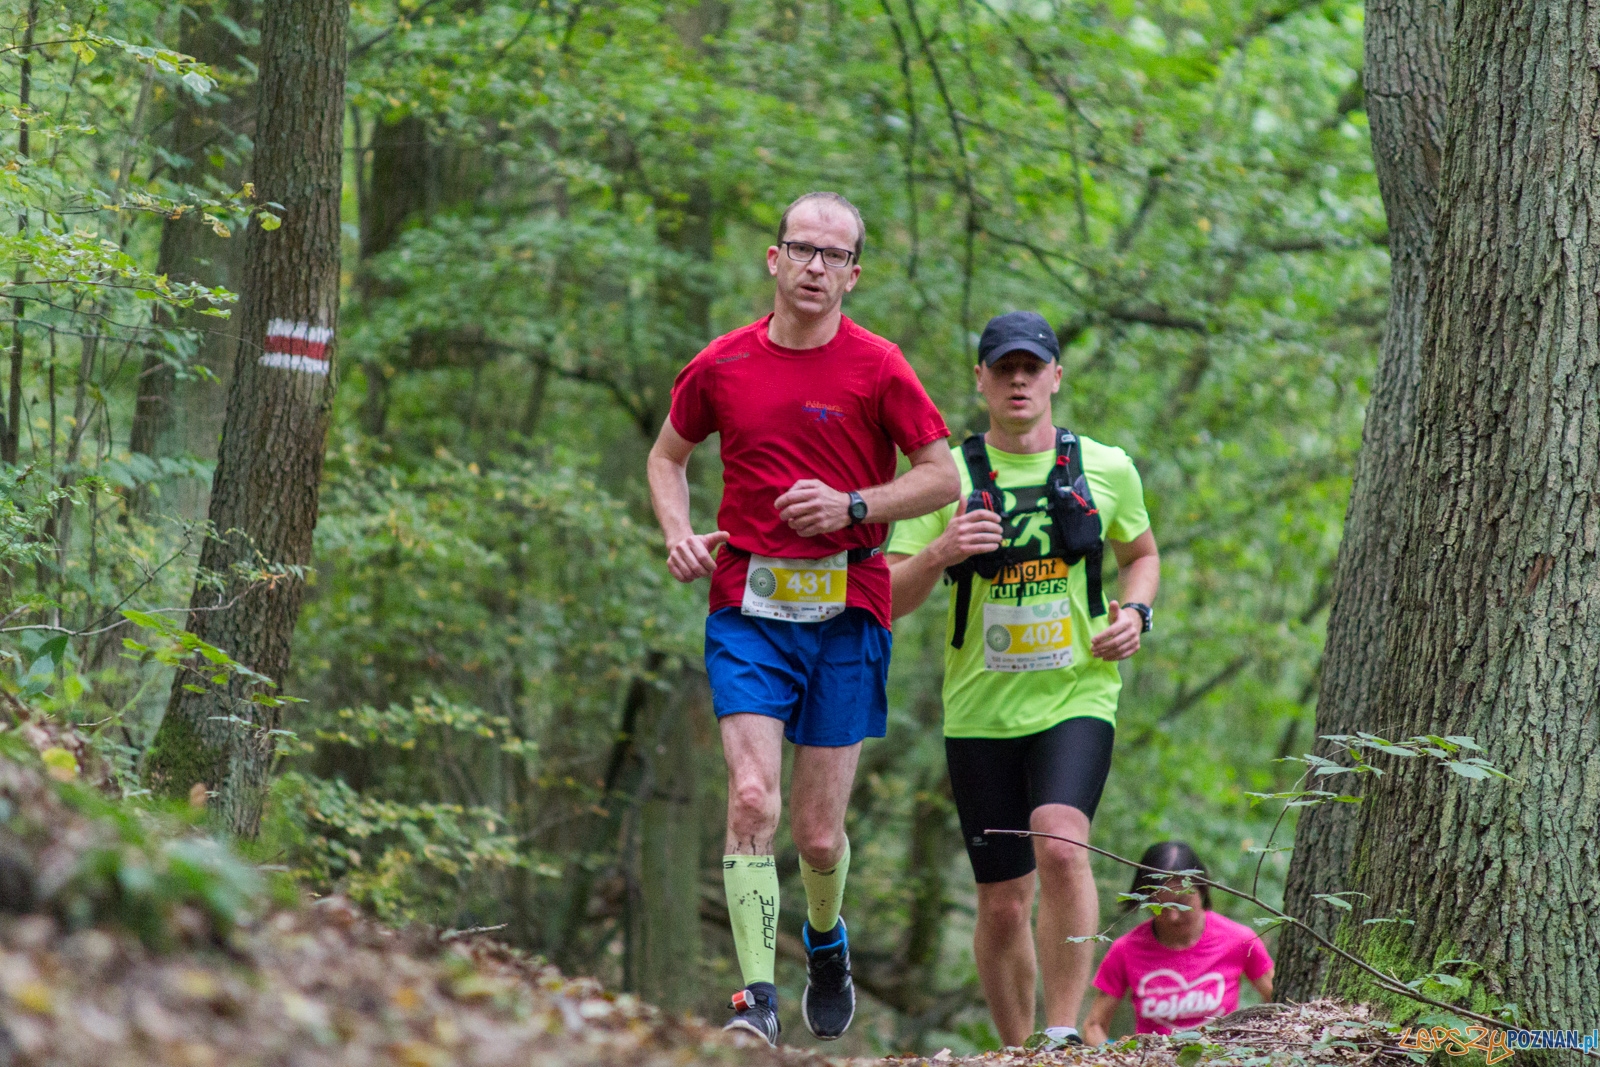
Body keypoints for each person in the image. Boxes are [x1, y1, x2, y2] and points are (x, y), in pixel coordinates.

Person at [647, 191, 959, 1046]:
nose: (816, 266)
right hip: (747, 607)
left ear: (853, 275)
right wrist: (677, 533)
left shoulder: (879, 367)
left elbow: (941, 476)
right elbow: (668, 457)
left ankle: (826, 939)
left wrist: (853, 504)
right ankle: (755, 999)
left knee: (819, 837)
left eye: (835, 255)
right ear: (774, 258)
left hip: (848, 608)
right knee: (752, 797)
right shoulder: (721, 364)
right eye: (803, 249)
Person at [885, 310, 1160, 1050]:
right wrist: (941, 550)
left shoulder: (1106, 466)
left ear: (1055, 378)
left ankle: (1063, 1034)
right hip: (980, 709)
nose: (1018, 380)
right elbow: (889, 596)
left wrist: (1137, 613)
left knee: (1062, 844)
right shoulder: (944, 478)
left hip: (1078, 693)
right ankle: (1016, 1051)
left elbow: (1141, 553)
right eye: (1003, 368)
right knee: (1003, 901)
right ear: (980, 379)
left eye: (1031, 368)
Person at [1083, 841, 1274, 1043]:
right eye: (1161, 906)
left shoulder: (1240, 939)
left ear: (1202, 890)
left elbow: (1279, 1001)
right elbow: (1093, 1026)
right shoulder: (1126, 949)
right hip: (1152, 1057)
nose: (1173, 916)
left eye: (1183, 904)